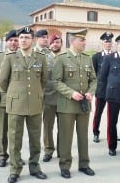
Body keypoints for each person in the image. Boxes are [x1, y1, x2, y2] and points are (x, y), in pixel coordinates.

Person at [0, 26, 48, 183]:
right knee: (14, 140)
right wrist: (15, 94)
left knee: (34, 139)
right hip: (15, 105)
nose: (23, 40)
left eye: (26, 37)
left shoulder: (40, 57)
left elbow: (44, 80)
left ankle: (34, 167)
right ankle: (15, 169)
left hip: (35, 104)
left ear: (32, 40)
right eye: (21, 38)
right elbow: (2, 82)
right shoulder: (11, 57)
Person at [52, 29, 97, 178]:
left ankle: (84, 164)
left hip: (84, 105)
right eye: (81, 40)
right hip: (67, 105)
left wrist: (91, 92)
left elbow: (94, 80)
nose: (84, 43)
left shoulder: (87, 58)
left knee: (83, 136)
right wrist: (71, 93)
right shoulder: (62, 58)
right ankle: (65, 166)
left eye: (84, 40)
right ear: (72, 41)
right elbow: (56, 82)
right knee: (66, 137)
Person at [0, 30, 25, 168]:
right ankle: (2, 155)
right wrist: (0, 91)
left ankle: (16, 156)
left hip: (18, 100)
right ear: (6, 42)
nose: (13, 43)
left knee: (16, 130)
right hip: (3, 99)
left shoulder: (23, 56)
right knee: (3, 130)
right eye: (11, 40)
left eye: (16, 40)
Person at [42, 33, 63, 162]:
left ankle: (62, 150)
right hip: (48, 97)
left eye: (58, 42)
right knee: (48, 126)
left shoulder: (66, 57)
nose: (55, 44)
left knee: (64, 127)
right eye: (53, 42)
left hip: (63, 98)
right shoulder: (43, 58)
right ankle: (48, 150)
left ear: (61, 44)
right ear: (50, 44)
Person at [92, 31, 114, 143]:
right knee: (98, 113)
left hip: (114, 91)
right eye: (106, 41)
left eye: (110, 41)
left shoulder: (115, 56)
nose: (108, 43)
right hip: (101, 90)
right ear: (102, 43)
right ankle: (95, 132)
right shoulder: (96, 57)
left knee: (113, 115)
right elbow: (93, 74)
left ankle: (112, 134)